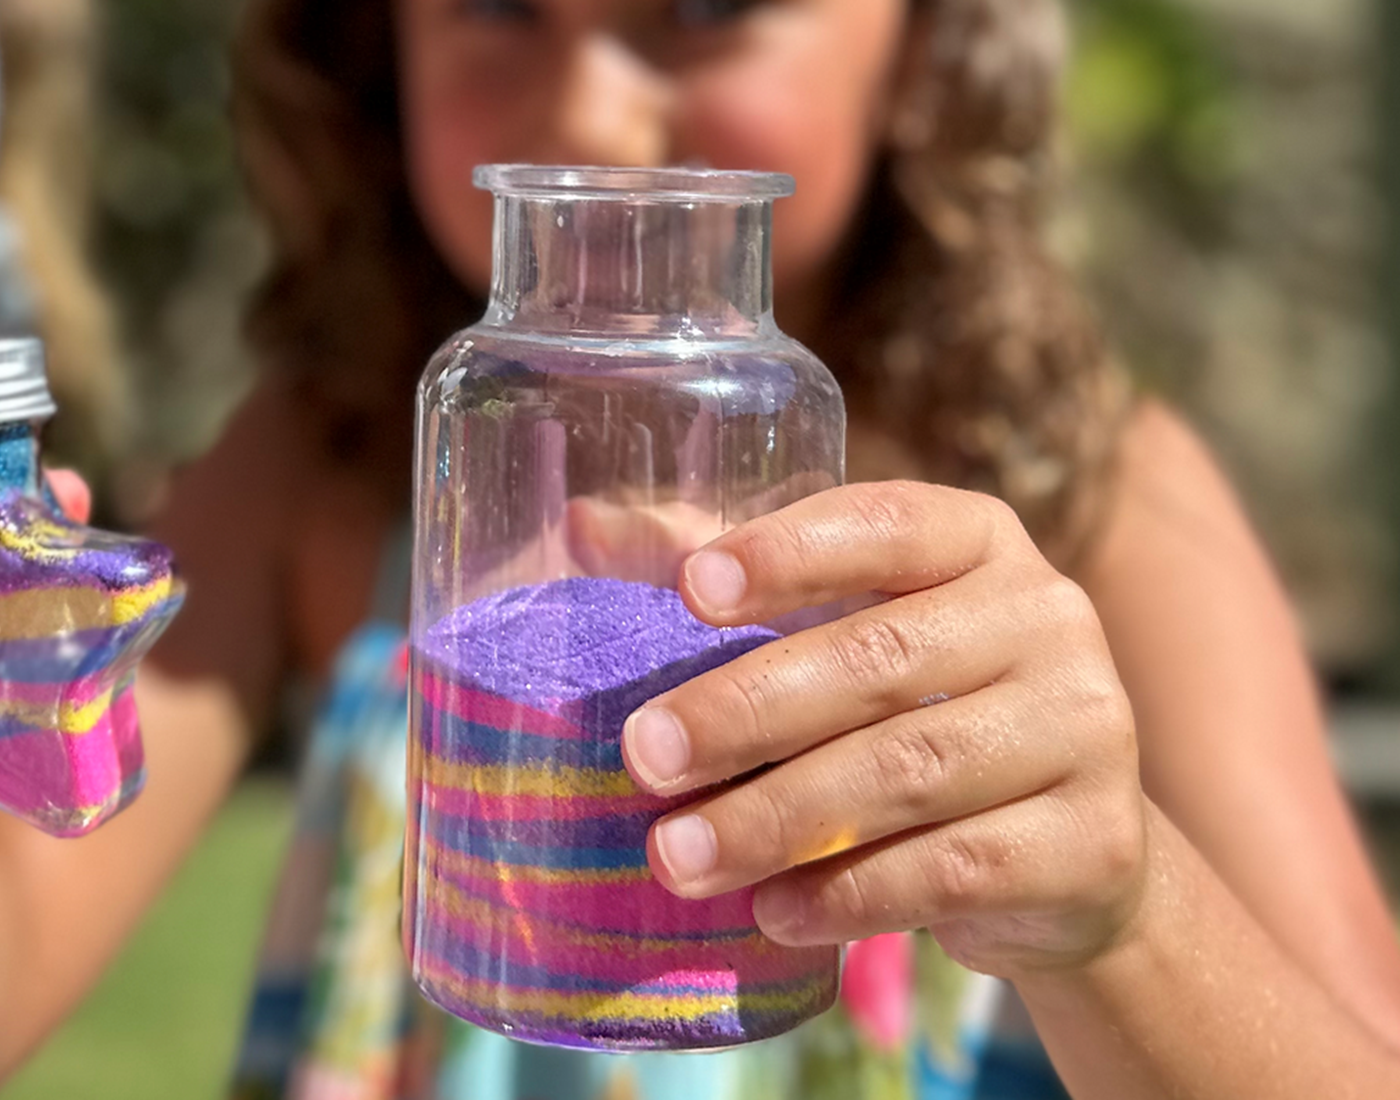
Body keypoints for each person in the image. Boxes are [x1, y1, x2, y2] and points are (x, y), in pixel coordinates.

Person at [4, 0, 1400, 1096]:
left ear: (925, 45)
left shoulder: (1096, 495)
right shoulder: (331, 449)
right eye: (495, 4)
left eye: (710, 2)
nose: (595, 113)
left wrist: (1126, 915)